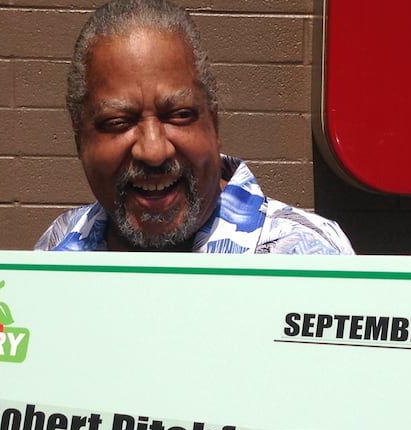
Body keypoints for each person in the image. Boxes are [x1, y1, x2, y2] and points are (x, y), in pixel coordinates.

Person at [35, 0, 354, 254]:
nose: (154, 150)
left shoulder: (305, 255)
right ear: (80, 139)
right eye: (119, 122)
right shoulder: (60, 245)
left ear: (213, 124)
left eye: (179, 115)